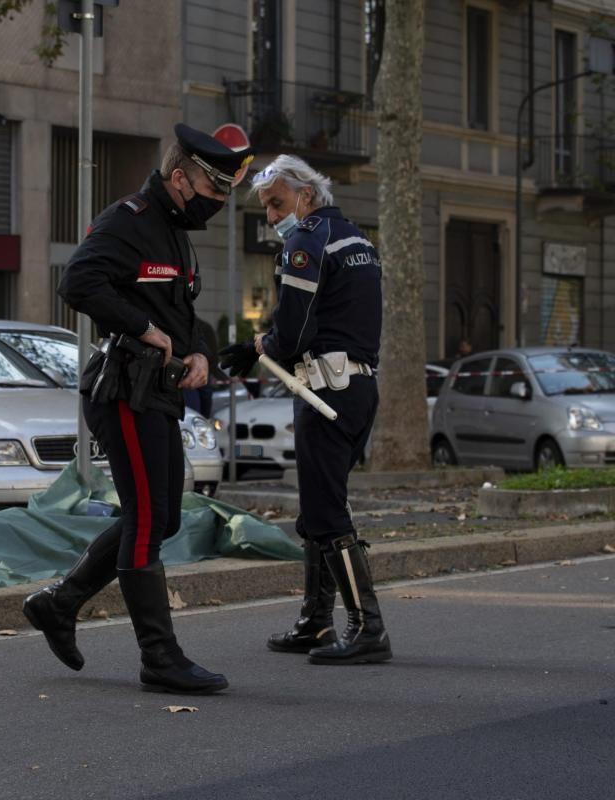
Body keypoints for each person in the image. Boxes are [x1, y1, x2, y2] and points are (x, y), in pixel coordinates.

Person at [22, 124, 253, 694]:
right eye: (212, 191)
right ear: (180, 178)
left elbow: (182, 314)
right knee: (148, 519)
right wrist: (143, 327)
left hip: (159, 392)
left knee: (163, 517)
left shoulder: (174, 230)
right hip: (124, 387)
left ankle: (60, 603)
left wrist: (200, 349)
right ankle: (159, 657)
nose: (217, 204)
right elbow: (77, 281)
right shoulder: (130, 219)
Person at [218, 154, 391, 665]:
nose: (271, 216)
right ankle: (316, 623)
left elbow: (294, 334)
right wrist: (263, 348)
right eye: (267, 207)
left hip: (325, 390)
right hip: (356, 387)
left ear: (306, 196)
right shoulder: (357, 239)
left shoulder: (306, 241)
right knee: (320, 507)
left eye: (276, 203)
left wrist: (258, 347)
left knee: (326, 511)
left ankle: (367, 628)